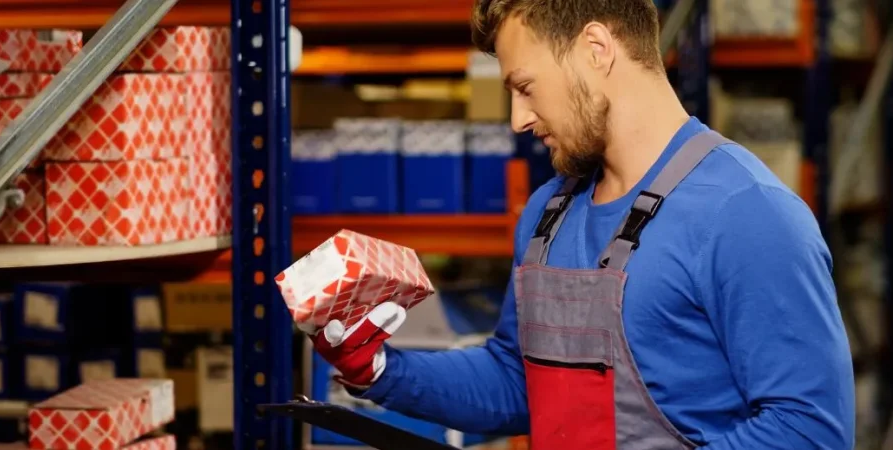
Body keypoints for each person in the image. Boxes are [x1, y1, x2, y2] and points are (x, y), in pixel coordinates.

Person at [310, 0, 856, 448]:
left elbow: (807, 430)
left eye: (525, 87)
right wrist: (378, 369)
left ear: (596, 49)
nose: (518, 119)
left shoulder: (746, 213)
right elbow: (517, 382)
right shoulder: (549, 214)